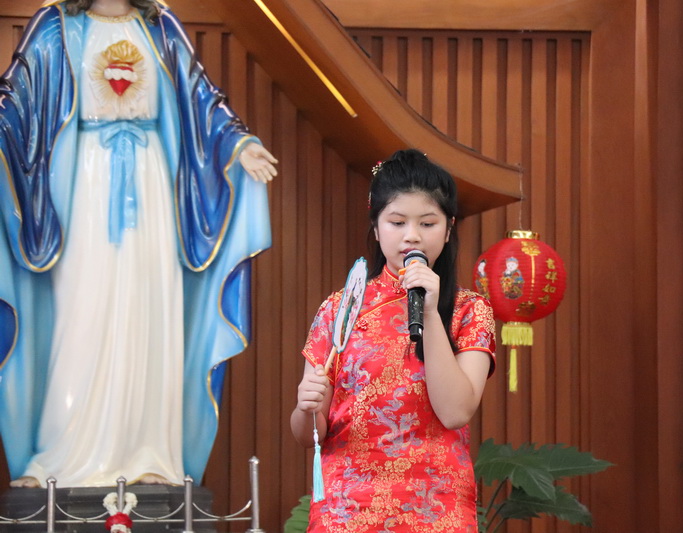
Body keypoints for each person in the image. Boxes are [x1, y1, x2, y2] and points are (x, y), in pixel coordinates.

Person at [0, 0, 277, 488]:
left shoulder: (160, 27)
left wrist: (239, 143)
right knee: (81, 313)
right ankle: (58, 455)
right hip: (82, 188)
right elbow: (14, 101)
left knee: (149, 308)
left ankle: (151, 451)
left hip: (152, 190)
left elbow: (203, 100)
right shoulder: (56, 25)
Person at [291, 149, 496, 532]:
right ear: (376, 227)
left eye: (428, 223)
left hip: (436, 511)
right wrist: (306, 408)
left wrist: (430, 312)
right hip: (346, 512)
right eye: (397, 222)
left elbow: (455, 412)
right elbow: (309, 436)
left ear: (448, 229)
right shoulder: (339, 309)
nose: (411, 235)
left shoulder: (470, 310)